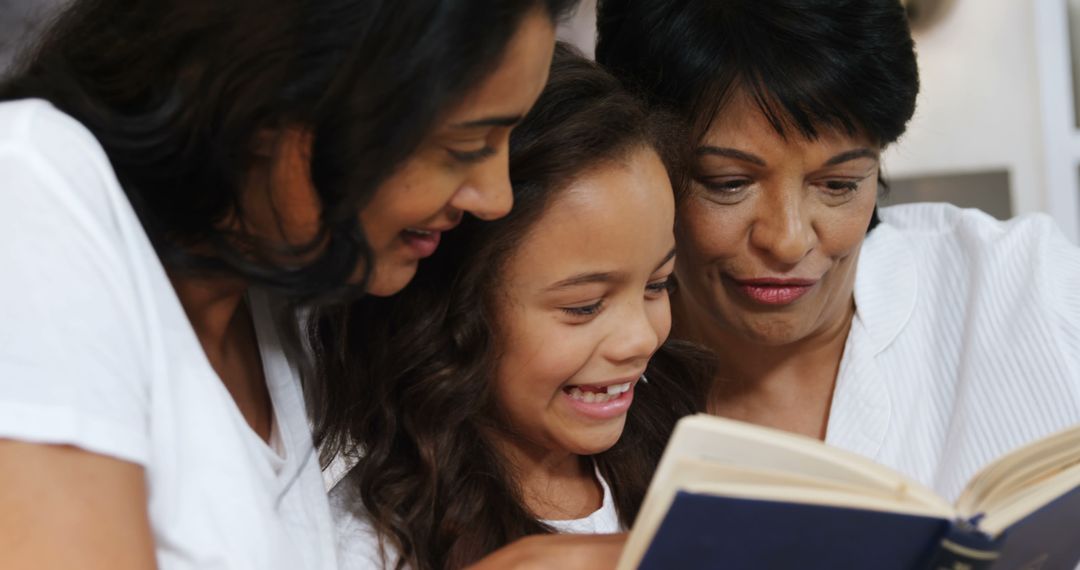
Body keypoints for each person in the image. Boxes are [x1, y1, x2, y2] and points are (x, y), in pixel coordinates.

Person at [0, 0, 573, 568]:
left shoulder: (269, 313)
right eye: (463, 146)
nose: (494, 198)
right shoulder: (30, 180)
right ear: (279, 96)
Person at [595, 0, 1080, 502]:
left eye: (839, 184)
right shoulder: (582, 371)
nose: (788, 241)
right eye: (729, 183)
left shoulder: (1027, 283)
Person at [311, 44, 709, 570]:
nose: (640, 338)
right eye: (585, 307)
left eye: (658, 285)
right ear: (452, 315)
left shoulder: (677, 453)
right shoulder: (376, 545)